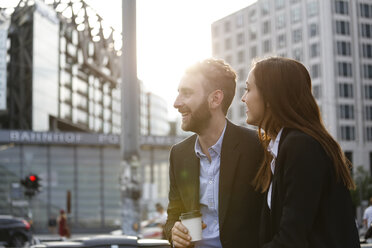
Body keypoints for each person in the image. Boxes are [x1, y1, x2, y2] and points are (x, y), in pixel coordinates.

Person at [241, 57, 360, 248]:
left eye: (248, 89)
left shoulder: (301, 146)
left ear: (270, 97)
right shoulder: (280, 149)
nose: (243, 98)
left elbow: (292, 239)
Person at [165, 58, 264, 248]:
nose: (176, 103)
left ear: (215, 99)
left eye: (186, 93)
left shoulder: (256, 147)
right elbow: (173, 216)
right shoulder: (179, 154)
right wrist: (174, 231)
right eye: (178, 93)